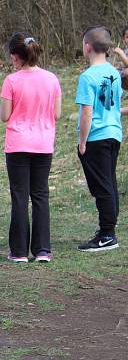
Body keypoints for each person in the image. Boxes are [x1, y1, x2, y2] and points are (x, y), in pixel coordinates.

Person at [0, 33, 61, 263]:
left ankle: (19, 252)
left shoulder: (11, 81)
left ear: (16, 57)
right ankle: (43, 250)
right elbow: (57, 113)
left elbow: (5, 116)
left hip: (18, 145)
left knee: (19, 196)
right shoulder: (52, 79)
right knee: (40, 195)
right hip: (43, 144)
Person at [76, 26, 122, 252]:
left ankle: (107, 234)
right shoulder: (114, 72)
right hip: (115, 135)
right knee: (110, 184)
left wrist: (82, 141)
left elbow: (87, 112)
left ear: (87, 47)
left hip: (96, 137)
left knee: (102, 187)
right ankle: (108, 229)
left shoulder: (87, 77)